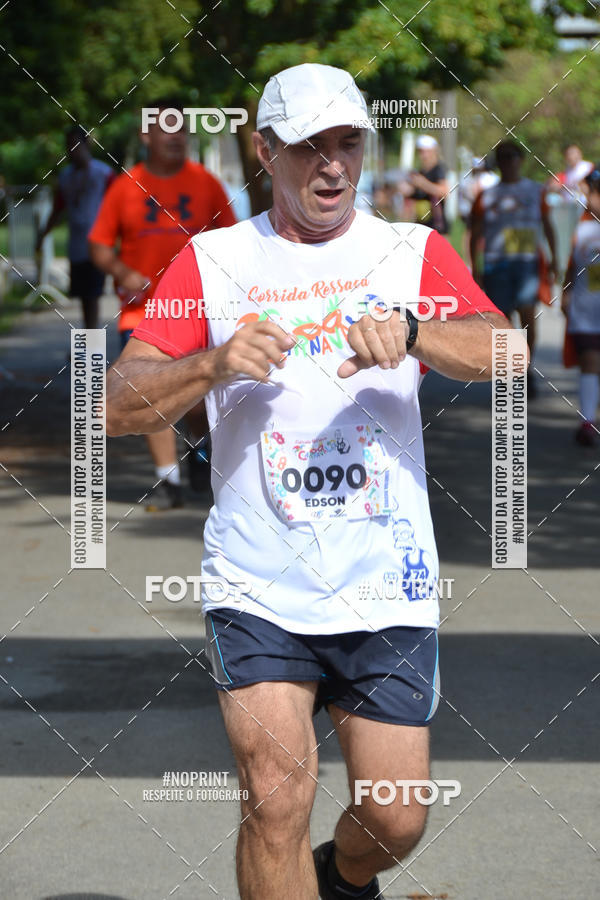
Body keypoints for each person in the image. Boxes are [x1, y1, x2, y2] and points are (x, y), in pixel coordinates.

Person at [106, 64, 514, 900]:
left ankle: (340, 877)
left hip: (385, 583)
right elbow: (113, 402)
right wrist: (212, 364)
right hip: (258, 581)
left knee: (396, 817)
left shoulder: (411, 252)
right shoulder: (213, 261)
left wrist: (416, 334)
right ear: (265, 152)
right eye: (307, 147)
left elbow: (506, 350)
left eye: (347, 143)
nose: (331, 165)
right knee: (276, 800)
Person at [89, 99, 237, 509]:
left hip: (197, 313)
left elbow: (234, 241)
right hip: (142, 313)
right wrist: (122, 272)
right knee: (149, 390)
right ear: (146, 135)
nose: (176, 136)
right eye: (166, 128)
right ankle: (166, 479)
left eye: (181, 128)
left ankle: (199, 449)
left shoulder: (206, 183)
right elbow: (99, 245)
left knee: (196, 398)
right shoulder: (125, 186)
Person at [470, 140, 558, 398]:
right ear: (498, 163)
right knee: (503, 322)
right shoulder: (487, 195)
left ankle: (525, 367)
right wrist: (475, 268)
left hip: (527, 263)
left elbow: (548, 225)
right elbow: (475, 233)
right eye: (503, 157)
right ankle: (509, 372)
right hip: (497, 264)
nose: (508, 162)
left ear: (521, 159)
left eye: (512, 156)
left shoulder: (535, 191)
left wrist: (555, 258)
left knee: (528, 315)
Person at [36, 125, 113, 329]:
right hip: (77, 245)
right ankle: (90, 337)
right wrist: (42, 235)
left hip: (98, 244)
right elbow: (57, 210)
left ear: (86, 145)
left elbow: (118, 206)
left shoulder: (103, 173)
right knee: (84, 298)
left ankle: (92, 341)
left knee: (93, 296)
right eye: (69, 146)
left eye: (76, 145)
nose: (72, 150)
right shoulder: (65, 177)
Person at [561, 166, 600, 446]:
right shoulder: (584, 229)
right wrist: (566, 294)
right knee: (589, 362)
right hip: (586, 311)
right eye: (592, 193)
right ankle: (587, 421)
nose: (592, 199)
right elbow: (572, 268)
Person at [399, 135, 449, 233]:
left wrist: (423, 184)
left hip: (437, 225)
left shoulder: (439, 170)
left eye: (427, 152)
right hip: (421, 225)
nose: (424, 156)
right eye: (421, 152)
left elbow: (444, 192)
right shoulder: (421, 172)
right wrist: (408, 190)